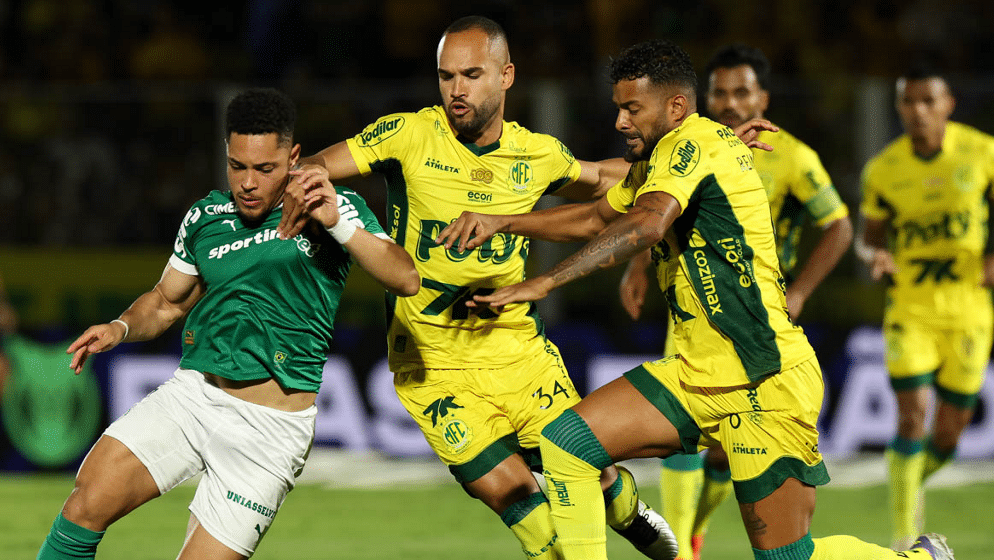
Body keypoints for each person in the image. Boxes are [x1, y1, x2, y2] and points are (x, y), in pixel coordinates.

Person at [274, 15, 771, 560]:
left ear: (506, 76)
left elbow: (611, 180)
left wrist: (704, 145)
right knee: (533, 524)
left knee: (599, 484)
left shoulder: (536, 154)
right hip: (434, 369)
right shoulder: (409, 134)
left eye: (471, 74)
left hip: (521, 358)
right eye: (445, 77)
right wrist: (308, 179)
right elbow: (323, 164)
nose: (456, 90)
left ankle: (628, 508)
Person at [437, 39, 954, 560]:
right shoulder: (664, 157)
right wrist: (506, 222)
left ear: (676, 107)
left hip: (763, 378)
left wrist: (545, 283)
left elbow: (647, 222)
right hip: (693, 373)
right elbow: (597, 216)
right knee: (567, 443)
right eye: (618, 107)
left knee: (787, 557)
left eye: (631, 109)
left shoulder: (697, 145)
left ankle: (914, 558)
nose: (619, 122)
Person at [36, 88, 420, 560]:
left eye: (265, 169)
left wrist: (338, 223)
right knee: (85, 502)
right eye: (238, 166)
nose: (249, 183)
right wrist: (120, 327)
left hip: (268, 431)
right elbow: (165, 301)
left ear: (294, 157)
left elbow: (405, 278)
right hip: (193, 397)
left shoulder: (333, 209)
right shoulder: (206, 216)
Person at [617, 43, 853, 560]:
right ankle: (683, 551)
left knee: (727, 455)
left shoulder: (792, 156)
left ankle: (693, 530)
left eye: (741, 91)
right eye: (719, 92)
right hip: (690, 312)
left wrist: (801, 291)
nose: (729, 102)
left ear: (762, 97)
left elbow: (838, 225)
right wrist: (637, 267)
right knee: (686, 433)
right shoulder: (688, 146)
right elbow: (655, 208)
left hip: (755, 320)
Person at [857, 65, 994, 551]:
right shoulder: (884, 169)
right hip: (910, 307)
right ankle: (903, 541)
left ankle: (909, 484)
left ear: (948, 105)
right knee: (912, 416)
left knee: (948, 438)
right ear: (899, 109)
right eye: (909, 103)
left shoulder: (982, 153)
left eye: (928, 102)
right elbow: (867, 241)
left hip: (968, 308)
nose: (919, 112)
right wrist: (877, 257)